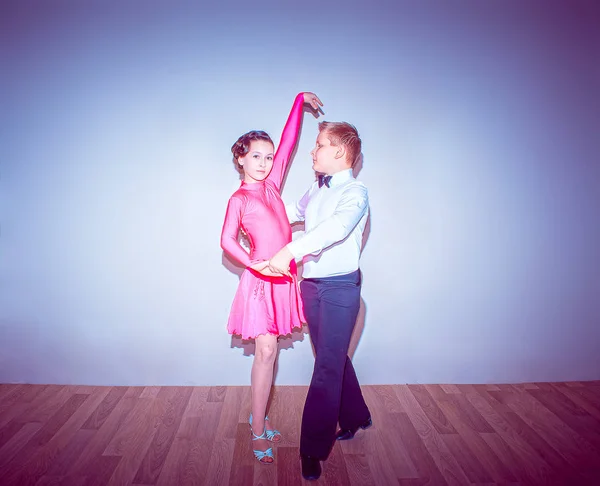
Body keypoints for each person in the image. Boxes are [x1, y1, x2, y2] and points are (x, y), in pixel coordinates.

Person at [220, 92, 323, 465]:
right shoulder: (240, 199)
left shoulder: (273, 184)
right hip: (262, 284)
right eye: (255, 156)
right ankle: (258, 429)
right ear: (240, 159)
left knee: (272, 351)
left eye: (268, 156)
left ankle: (258, 413)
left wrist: (298, 102)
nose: (264, 163)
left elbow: (290, 142)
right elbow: (225, 239)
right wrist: (255, 264)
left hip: (285, 280)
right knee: (265, 352)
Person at [268, 121, 372, 480]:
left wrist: (289, 251)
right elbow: (287, 212)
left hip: (341, 288)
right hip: (311, 286)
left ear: (340, 152)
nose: (312, 151)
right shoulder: (316, 188)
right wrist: (254, 203)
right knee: (332, 356)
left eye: (319, 144)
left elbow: (336, 229)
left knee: (326, 366)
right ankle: (358, 415)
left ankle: (312, 448)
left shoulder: (356, 192)